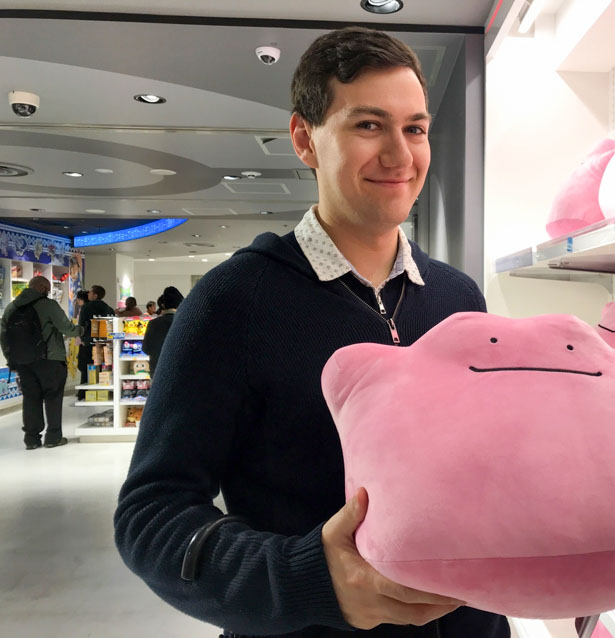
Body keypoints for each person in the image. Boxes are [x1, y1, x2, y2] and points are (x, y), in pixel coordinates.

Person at [115, 27, 508, 638]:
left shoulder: (459, 299)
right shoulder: (233, 302)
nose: (400, 155)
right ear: (305, 139)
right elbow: (151, 517)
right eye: (369, 125)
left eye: (415, 128)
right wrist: (309, 579)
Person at [0, 276, 84, 449]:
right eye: (47, 288)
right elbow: (66, 328)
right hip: (50, 359)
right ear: (42, 288)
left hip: (23, 361)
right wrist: (81, 329)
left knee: (30, 398)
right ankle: (53, 437)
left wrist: (11, 359)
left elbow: (3, 335)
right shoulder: (48, 305)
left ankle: (31, 438)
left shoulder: (12, 307)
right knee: (53, 396)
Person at [76, 285, 115, 399]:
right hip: (105, 342)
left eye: (90, 292)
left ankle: (85, 394)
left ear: (95, 295)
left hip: (89, 342)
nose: (88, 294)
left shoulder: (86, 307)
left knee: (86, 368)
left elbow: (81, 324)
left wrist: (82, 338)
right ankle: (104, 392)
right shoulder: (108, 308)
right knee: (105, 367)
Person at [141, 286, 183, 376]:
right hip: (179, 373)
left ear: (163, 305)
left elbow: (146, 349)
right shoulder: (185, 323)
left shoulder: (153, 324)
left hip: (157, 372)